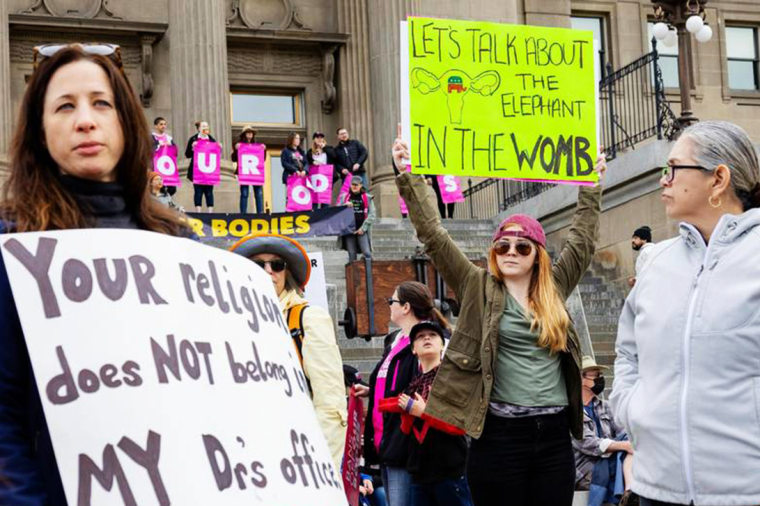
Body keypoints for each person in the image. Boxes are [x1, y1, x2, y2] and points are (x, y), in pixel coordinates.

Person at [0, 42, 190, 505]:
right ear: (40, 132)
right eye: (65, 106)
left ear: (125, 120)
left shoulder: (179, 245)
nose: (85, 119)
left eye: (100, 102)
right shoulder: (12, 248)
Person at [391, 125, 607, 506]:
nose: (510, 251)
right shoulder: (478, 285)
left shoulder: (554, 287)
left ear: (536, 254)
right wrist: (408, 175)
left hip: (554, 434)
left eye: (522, 247)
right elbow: (434, 236)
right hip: (500, 434)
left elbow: (583, 240)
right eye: (503, 245)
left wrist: (591, 186)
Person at [610, 121, 760, 506]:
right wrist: (632, 408)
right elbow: (628, 353)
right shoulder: (656, 260)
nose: (664, 180)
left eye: (674, 168)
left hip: (745, 490)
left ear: (719, 178)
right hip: (655, 487)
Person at [229, 233, 347, 469]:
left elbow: (330, 403)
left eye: (277, 265)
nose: (268, 271)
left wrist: (323, 468)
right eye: (257, 264)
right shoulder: (230, 322)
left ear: (287, 274)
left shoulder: (309, 318)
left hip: (297, 456)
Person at [355, 281, 451, 506]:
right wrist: (372, 391)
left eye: (392, 301)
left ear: (406, 307)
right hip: (386, 441)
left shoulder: (428, 339)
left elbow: (428, 383)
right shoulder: (395, 339)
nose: (389, 306)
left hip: (406, 443)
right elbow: (399, 382)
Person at [390, 320, 473, 506]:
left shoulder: (453, 378)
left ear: (442, 344)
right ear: (413, 349)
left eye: (433, 335)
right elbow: (406, 431)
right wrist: (406, 413)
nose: (426, 338)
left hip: (449, 472)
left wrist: (423, 412)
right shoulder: (412, 384)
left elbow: (460, 425)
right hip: (420, 474)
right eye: (420, 336)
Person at [573, 356, 635, 506]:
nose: (600, 379)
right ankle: (629, 494)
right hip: (584, 466)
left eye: (600, 375)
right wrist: (623, 445)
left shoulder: (606, 406)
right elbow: (588, 443)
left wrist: (627, 444)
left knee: (629, 439)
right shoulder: (572, 411)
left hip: (610, 459)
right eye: (595, 375)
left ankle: (629, 493)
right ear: (581, 379)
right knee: (625, 449)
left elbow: (622, 432)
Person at [338, 175, 375, 262]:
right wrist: (344, 206)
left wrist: (363, 228)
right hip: (348, 230)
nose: (354, 186)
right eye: (353, 184)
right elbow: (337, 212)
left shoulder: (367, 197)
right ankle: (353, 275)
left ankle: (369, 274)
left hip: (361, 229)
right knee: (352, 255)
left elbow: (372, 214)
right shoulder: (344, 197)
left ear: (361, 185)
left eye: (356, 185)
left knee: (367, 253)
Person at [185, 120, 217, 213]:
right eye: (203, 126)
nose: (205, 128)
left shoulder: (212, 140)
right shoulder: (193, 139)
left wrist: (218, 147)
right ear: (199, 128)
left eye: (206, 126)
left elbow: (215, 154)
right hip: (197, 169)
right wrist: (192, 148)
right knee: (198, 191)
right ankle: (198, 212)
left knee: (209, 192)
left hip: (208, 169)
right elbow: (187, 154)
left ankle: (210, 212)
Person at [232, 125, 265, 214]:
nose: (250, 133)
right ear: (244, 134)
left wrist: (263, 150)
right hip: (244, 172)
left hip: (255, 172)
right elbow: (233, 158)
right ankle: (243, 213)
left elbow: (263, 159)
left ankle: (260, 213)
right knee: (244, 193)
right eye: (248, 132)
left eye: (251, 132)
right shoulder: (239, 144)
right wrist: (236, 150)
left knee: (259, 193)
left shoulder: (256, 145)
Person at [307, 131, 335, 209]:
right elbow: (307, 162)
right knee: (314, 201)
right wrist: (313, 162)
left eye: (321, 137)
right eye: (317, 137)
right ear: (314, 139)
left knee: (325, 201)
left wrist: (324, 147)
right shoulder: (310, 152)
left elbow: (334, 156)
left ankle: (324, 218)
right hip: (314, 179)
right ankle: (314, 218)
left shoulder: (329, 148)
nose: (319, 139)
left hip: (326, 178)